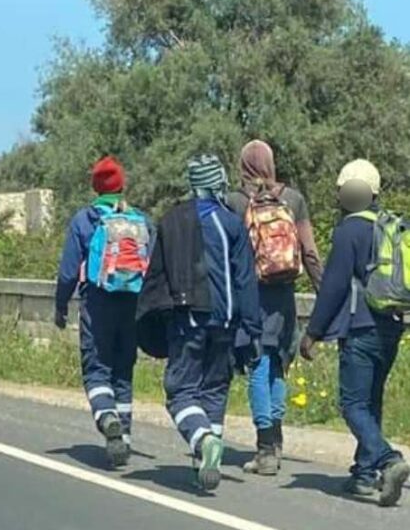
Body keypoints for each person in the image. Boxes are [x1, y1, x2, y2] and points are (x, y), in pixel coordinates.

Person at [137, 154, 262, 492]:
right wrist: (253, 330)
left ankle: (202, 440)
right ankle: (209, 459)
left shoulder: (173, 220)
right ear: (218, 181)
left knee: (179, 391)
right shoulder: (232, 222)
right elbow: (245, 280)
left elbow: (156, 276)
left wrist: (149, 320)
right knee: (215, 389)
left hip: (187, 319)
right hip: (226, 323)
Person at [300, 159, 409, 507]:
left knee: (351, 403)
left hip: (360, 326)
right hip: (392, 325)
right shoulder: (392, 225)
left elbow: (333, 287)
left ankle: (388, 460)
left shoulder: (349, 229)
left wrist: (312, 332)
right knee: (370, 400)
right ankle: (363, 474)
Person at [227, 140, 323, 475]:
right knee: (278, 365)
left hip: (252, 296)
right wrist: (325, 296)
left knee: (257, 366)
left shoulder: (236, 202)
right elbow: (309, 253)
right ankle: (277, 441)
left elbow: (227, 258)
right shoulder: (292, 199)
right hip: (284, 296)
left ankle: (265, 448)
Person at [55, 155, 153, 468]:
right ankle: (123, 438)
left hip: (97, 305)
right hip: (132, 306)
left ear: (96, 187)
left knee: (96, 369)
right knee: (123, 371)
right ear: (122, 185)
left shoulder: (85, 220)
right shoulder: (140, 220)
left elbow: (70, 271)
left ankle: (106, 416)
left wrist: (60, 306)